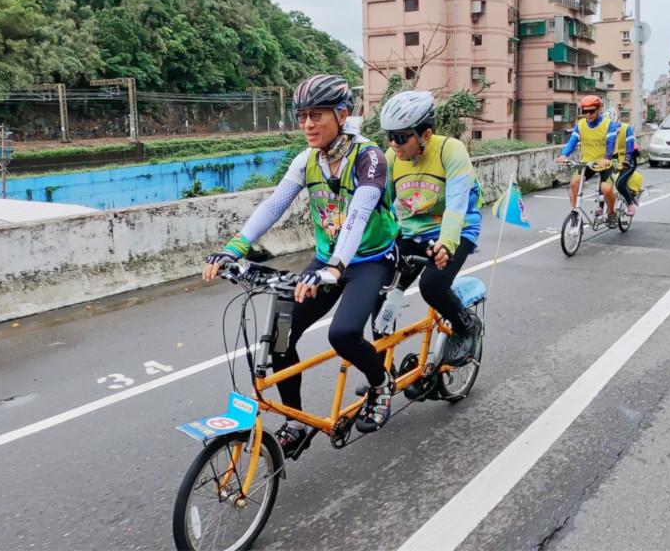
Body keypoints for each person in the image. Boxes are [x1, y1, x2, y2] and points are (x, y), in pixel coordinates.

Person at [201, 74, 400, 457]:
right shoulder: (308, 160)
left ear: (342, 115)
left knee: (344, 334)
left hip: (371, 259)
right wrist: (234, 248)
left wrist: (336, 266)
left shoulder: (369, 158)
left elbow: (359, 214)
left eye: (316, 115)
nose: (307, 124)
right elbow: (274, 205)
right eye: (302, 116)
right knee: (280, 334)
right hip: (327, 260)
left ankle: (380, 384)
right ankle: (295, 420)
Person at [378, 90, 484, 366]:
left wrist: (446, 244)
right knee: (378, 290)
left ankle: (465, 326)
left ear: (425, 134)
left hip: (456, 230)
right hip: (411, 231)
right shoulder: (392, 157)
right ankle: (381, 373)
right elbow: (381, 206)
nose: (394, 144)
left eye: (401, 137)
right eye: (390, 136)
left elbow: (457, 205)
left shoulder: (451, 150)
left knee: (432, 285)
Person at [557, 95, 618, 218]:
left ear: (599, 109)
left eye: (591, 111)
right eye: (585, 111)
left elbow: (611, 143)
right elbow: (572, 142)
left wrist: (607, 158)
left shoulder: (609, 125)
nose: (588, 114)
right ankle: (575, 213)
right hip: (588, 162)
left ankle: (611, 213)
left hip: (607, 163)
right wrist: (563, 155)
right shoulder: (580, 125)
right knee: (574, 183)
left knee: (606, 189)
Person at [612, 118, 639, 217]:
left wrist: (627, 158)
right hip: (614, 161)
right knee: (604, 183)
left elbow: (631, 144)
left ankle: (630, 204)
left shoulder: (627, 129)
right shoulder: (604, 130)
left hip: (629, 161)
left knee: (619, 183)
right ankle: (601, 207)